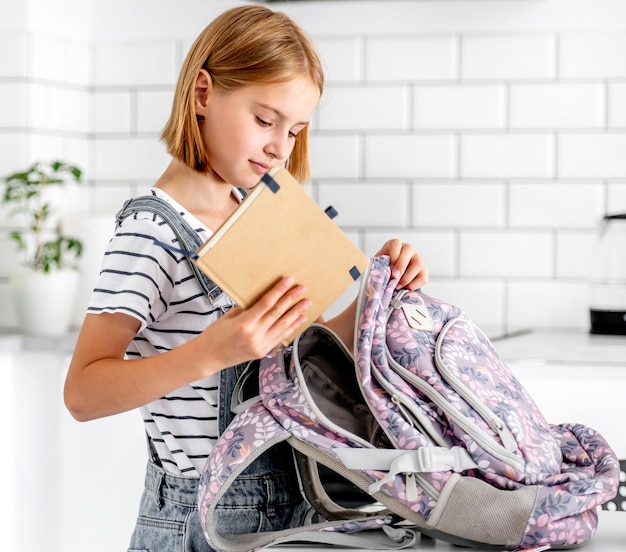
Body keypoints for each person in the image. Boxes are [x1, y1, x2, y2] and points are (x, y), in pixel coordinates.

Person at [64, 4, 429, 551]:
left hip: (294, 507)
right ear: (203, 94)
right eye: (265, 120)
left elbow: (311, 356)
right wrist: (211, 352)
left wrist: (382, 291)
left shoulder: (259, 214)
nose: (281, 147)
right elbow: (82, 392)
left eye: (296, 129)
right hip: (200, 520)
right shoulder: (150, 231)